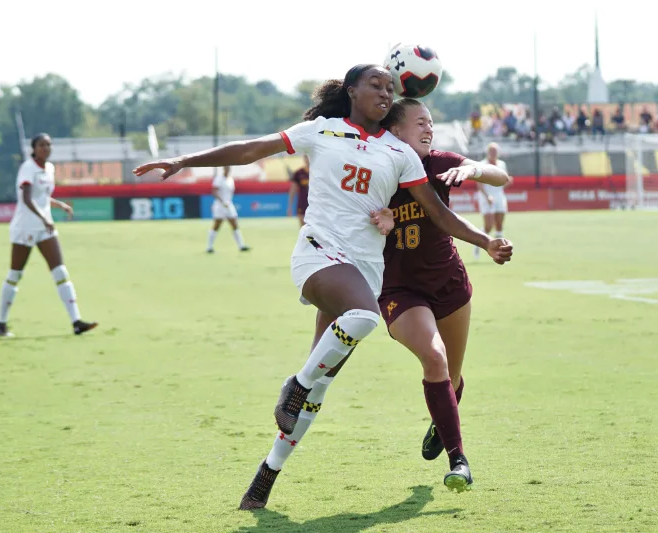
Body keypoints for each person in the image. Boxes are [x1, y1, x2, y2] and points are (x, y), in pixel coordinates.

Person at [132, 65, 513, 509]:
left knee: (321, 386)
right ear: (351, 90)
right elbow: (252, 149)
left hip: (365, 273)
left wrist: (484, 241)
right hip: (319, 255)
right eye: (375, 85)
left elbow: (438, 213)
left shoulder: (399, 153)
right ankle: (296, 381)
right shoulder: (321, 130)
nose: (385, 92)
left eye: (391, 87)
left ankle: (266, 475)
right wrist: (184, 161)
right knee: (364, 319)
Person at [239, 97, 512, 507]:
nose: (429, 128)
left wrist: (473, 169)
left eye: (431, 122)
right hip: (385, 288)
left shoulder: (435, 162)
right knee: (396, 365)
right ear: (395, 131)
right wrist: (380, 219)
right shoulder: (375, 159)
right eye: (420, 121)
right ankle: (270, 470)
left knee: (450, 380)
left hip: (449, 286)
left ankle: (444, 420)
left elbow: (488, 184)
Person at [0, 133, 98, 337]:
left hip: (45, 228)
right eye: (42, 145)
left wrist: (59, 205)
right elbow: (26, 198)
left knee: (60, 272)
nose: (46, 148)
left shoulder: (49, 168)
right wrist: (44, 218)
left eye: (49, 145)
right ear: (34, 148)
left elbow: (42, 195)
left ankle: (76, 322)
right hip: (25, 228)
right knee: (15, 274)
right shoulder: (28, 167)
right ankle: (1, 323)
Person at [474, 142, 511, 259]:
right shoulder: (482, 164)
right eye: (491, 151)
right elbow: (479, 185)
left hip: (499, 196)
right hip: (486, 197)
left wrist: (508, 182)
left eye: (495, 151)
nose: (493, 153)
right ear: (488, 152)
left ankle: (501, 253)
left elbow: (503, 181)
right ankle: (478, 245)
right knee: (488, 226)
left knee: (499, 225)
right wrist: (487, 196)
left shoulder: (502, 165)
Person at [207, 165, 250, 253]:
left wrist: (227, 202)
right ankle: (209, 247)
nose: (227, 169)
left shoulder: (230, 179)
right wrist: (222, 202)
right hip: (220, 205)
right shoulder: (219, 179)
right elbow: (214, 192)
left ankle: (241, 246)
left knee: (234, 224)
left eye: (229, 168)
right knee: (217, 225)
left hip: (229, 204)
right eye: (226, 168)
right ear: (223, 169)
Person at [287, 155, 310, 226]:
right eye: (306, 157)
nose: (307, 159)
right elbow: (293, 190)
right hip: (302, 202)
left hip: (315, 203)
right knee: (303, 226)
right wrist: (290, 206)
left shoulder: (318, 172)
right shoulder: (298, 173)